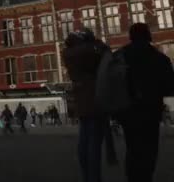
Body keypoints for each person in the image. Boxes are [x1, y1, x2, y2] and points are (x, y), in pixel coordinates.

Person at [115, 23, 174, 182]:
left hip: (128, 111)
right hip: (151, 110)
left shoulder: (120, 56)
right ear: (148, 36)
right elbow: (169, 86)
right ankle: (145, 177)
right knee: (149, 149)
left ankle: (133, 176)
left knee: (132, 147)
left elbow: (113, 84)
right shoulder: (159, 58)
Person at [63, 29, 110, 182]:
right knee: (94, 144)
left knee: (84, 139)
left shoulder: (68, 53)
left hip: (81, 100)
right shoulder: (90, 51)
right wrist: (97, 43)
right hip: (95, 98)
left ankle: (87, 176)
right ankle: (94, 178)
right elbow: (105, 57)